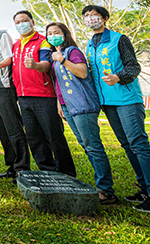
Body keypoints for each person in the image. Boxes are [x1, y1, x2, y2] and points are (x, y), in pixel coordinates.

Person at [82, 5, 150, 213]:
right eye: (86, 16)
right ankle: (144, 189)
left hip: (127, 100)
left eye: (94, 15)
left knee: (139, 144)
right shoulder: (89, 45)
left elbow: (133, 67)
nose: (90, 19)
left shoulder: (118, 39)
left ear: (105, 18)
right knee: (127, 144)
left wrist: (118, 77)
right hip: (108, 102)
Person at [45, 21, 116, 205]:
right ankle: (102, 186)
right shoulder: (54, 55)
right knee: (86, 146)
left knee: (93, 146)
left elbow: (83, 73)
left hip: (83, 105)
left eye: (56, 32)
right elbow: (59, 82)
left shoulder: (72, 52)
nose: (53, 35)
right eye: (49, 33)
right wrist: (60, 104)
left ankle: (106, 190)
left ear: (65, 34)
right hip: (68, 106)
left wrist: (63, 60)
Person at [11, 10, 76, 177]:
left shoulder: (43, 41)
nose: (21, 24)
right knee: (33, 137)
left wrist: (35, 65)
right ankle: (47, 170)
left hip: (43, 95)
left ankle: (66, 173)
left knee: (53, 135)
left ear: (32, 22)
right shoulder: (16, 45)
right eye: (17, 22)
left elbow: (46, 64)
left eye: (24, 21)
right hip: (23, 98)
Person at [0, 11, 30, 179]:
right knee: (2, 128)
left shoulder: (2, 35)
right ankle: (11, 165)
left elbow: (10, 58)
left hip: (4, 87)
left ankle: (22, 166)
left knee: (13, 127)